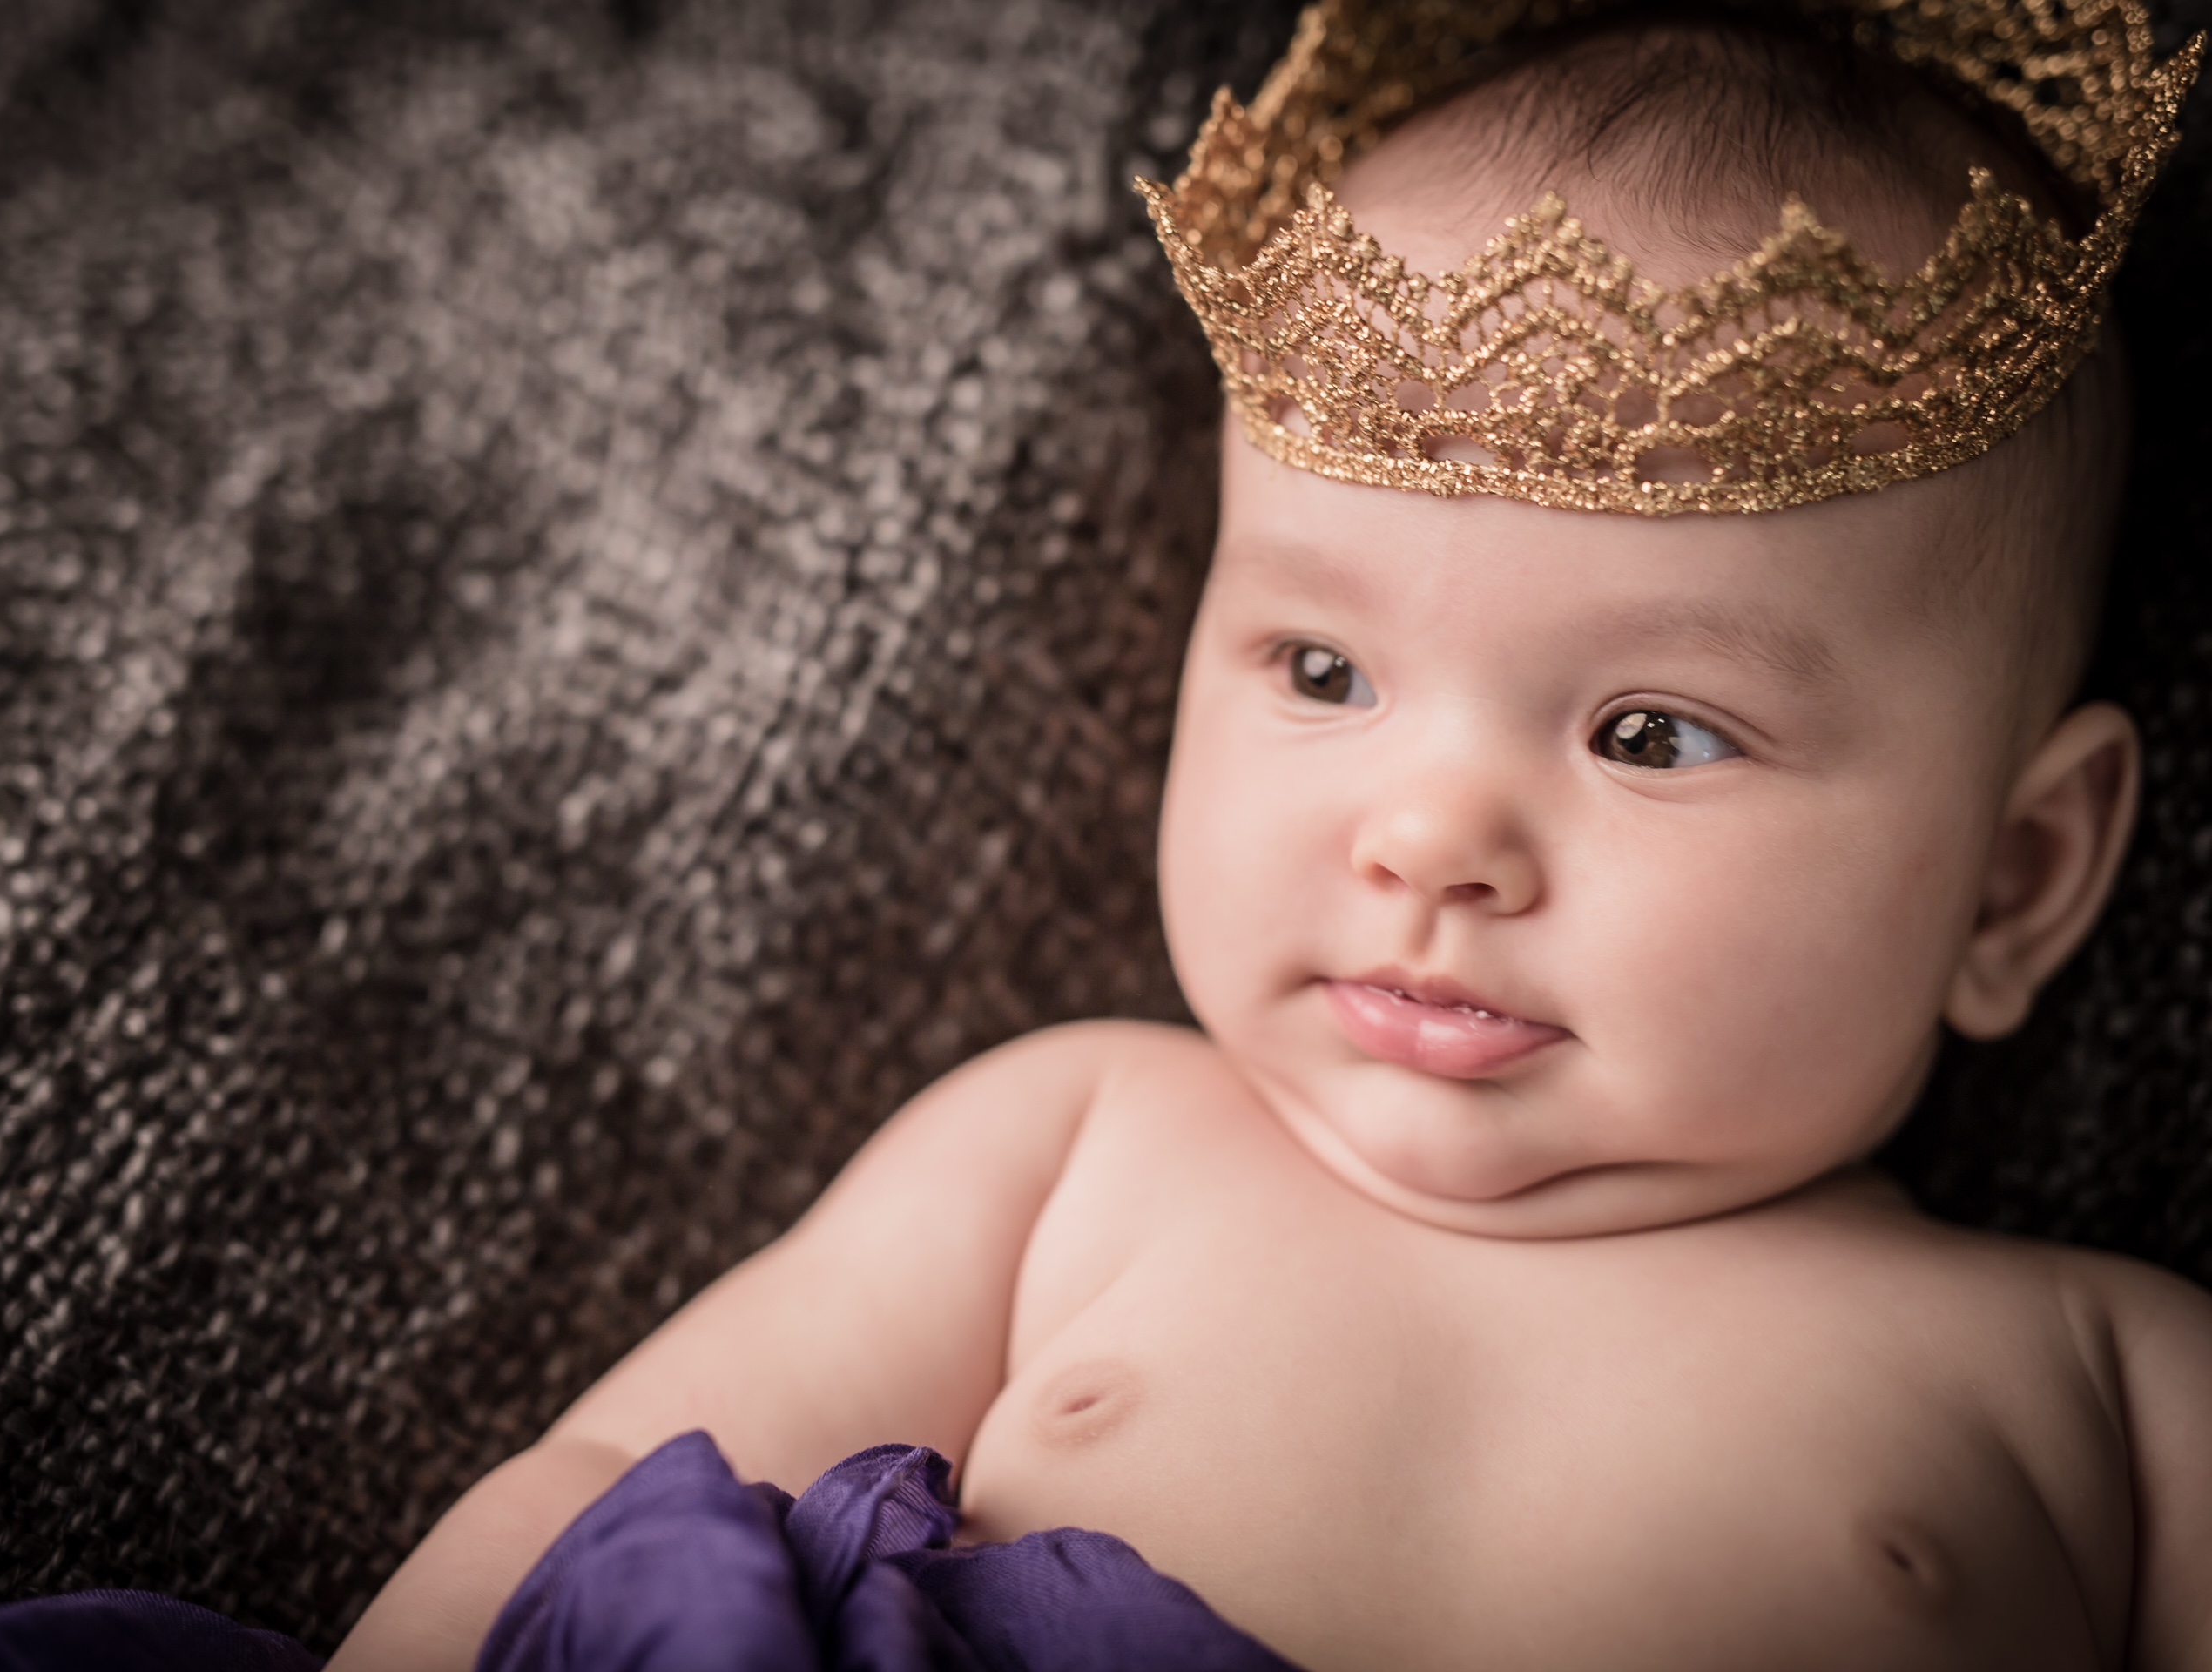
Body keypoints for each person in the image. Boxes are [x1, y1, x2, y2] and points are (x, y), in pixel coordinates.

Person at [331, 3, 2212, 1668]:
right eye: (1322, 670)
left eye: (1652, 730)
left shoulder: (2115, 1385)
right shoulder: (1077, 1144)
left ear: (2018, 879)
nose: (1430, 837)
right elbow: (593, 1500)